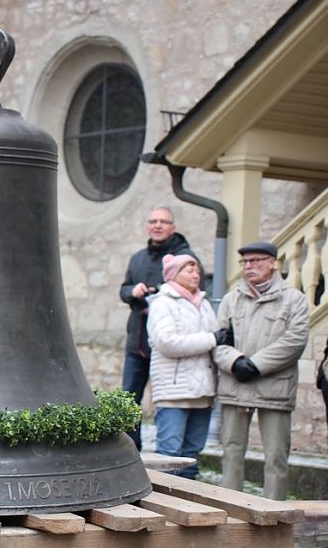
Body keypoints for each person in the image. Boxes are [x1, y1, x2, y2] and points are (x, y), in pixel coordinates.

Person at [213, 241, 309, 500]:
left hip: (274, 387)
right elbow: (219, 340)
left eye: (255, 261)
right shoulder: (231, 299)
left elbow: (295, 341)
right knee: (231, 452)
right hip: (236, 384)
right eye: (245, 262)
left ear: (272, 263)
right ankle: (232, 510)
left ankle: (273, 515)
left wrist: (256, 365)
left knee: (276, 456)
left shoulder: (294, 299)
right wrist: (235, 361)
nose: (249, 266)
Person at [119, 206, 198, 449]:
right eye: (153, 221)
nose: (157, 225)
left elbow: (193, 291)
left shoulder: (186, 259)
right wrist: (133, 291)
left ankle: (172, 457)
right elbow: (123, 289)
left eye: (163, 221)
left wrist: (158, 295)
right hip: (138, 342)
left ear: (172, 227)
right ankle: (131, 451)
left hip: (167, 345)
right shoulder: (138, 258)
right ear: (147, 226)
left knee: (168, 402)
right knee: (128, 401)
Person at [147, 254, 229, 479]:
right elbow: (168, 343)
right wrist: (212, 339)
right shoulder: (163, 302)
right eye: (189, 270)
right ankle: (162, 506)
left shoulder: (203, 303)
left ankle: (190, 507)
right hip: (173, 393)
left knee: (192, 455)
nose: (196, 275)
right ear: (174, 274)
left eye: (197, 271)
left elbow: (217, 339)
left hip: (202, 392)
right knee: (169, 456)